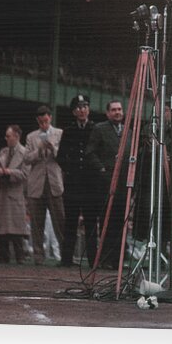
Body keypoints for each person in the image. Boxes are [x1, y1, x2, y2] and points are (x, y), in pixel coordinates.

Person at [86, 100, 130, 269]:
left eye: (119, 109)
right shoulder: (100, 129)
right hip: (105, 185)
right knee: (106, 222)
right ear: (107, 113)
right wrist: (102, 170)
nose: (117, 112)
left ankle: (118, 260)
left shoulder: (130, 132)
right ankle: (104, 259)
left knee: (121, 223)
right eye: (113, 110)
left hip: (124, 185)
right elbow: (90, 153)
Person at [57, 94, 98, 267]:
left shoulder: (96, 129)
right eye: (79, 108)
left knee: (90, 223)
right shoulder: (68, 131)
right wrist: (71, 170)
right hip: (73, 183)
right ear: (74, 111)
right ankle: (66, 259)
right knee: (71, 222)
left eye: (85, 107)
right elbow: (60, 157)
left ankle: (93, 259)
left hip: (90, 184)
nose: (82, 110)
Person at [24, 105, 64, 265]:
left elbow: (63, 156)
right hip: (36, 185)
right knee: (37, 223)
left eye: (46, 121)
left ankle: (64, 254)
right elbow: (26, 158)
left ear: (50, 118)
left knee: (60, 221)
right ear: (37, 121)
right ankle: (38, 256)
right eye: (41, 122)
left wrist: (52, 148)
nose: (44, 124)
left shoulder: (59, 133)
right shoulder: (31, 137)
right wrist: (39, 150)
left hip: (54, 183)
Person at [0, 124, 29, 264]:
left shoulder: (25, 153)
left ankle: (20, 256)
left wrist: (9, 172)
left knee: (16, 227)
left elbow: (25, 174)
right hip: (2, 193)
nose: (6, 138)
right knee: (2, 227)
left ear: (16, 137)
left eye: (8, 136)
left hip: (15, 193)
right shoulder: (3, 151)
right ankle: (3, 256)